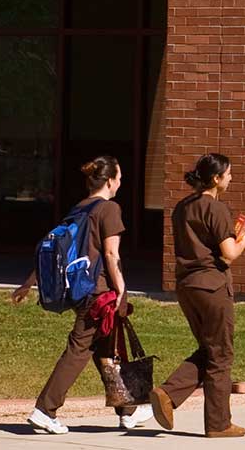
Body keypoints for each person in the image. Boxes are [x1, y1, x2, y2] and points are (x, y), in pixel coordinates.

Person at [11, 156, 154, 434]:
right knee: (77, 351)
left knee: (107, 351)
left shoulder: (80, 209)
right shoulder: (109, 209)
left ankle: (129, 410)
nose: (121, 183)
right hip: (99, 294)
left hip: (82, 290)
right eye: (120, 178)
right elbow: (112, 254)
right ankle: (45, 409)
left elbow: (58, 250)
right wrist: (122, 290)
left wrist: (28, 283)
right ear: (111, 180)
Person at [150, 153, 245, 437]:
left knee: (210, 349)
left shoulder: (182, 207)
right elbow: (228, 254)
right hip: (213, 286)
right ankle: (218, 423)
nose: (231, 178)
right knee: (221, 354)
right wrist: (243, 240)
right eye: (228, 174)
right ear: (216, 178)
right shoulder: (216, 209)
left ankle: (168, 395)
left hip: (186, 285)